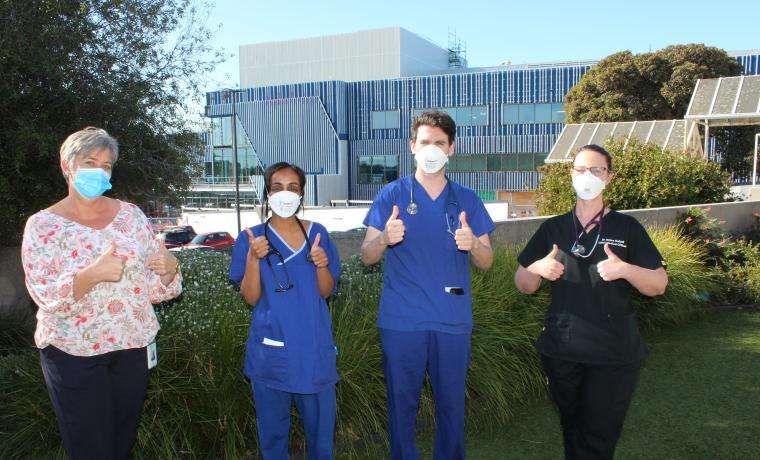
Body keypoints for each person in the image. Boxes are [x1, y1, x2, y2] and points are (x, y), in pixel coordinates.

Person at [21, 127, 182, 459]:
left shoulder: (132, 216)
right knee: (92, 450)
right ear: (67, 166)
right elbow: (44, 294)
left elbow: (153, 288)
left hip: (131, 347)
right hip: (74, 353)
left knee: (120, 445)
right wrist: (90, 276)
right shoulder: (43, 226)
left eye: (106, 165)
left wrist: (169, 271)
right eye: (90, 161)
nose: (99, 170)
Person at [514, 144, 669, 459]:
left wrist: (625, 269)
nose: (588, 175)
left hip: (613, 352)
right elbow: (523, 284)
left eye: (596, 169)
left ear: (609, 178)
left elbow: (658, 284)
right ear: (571, 174)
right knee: (572, 427)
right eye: (581, 169)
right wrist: (537, 268)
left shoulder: (627, 228)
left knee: (598, 434)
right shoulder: (552, 228)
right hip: (562, 349)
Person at [361, 110, 495, 459]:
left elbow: (487, 260)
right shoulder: (391, 195)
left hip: (451, 320)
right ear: (412, 147)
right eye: (425, 143)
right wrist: (384, 240)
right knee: (401, 404)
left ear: (452, 147)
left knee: (451, 405)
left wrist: (473, 243)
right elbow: (366, 256)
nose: (431, 149)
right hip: (402, 321)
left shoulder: (467, 199)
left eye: (439, 142)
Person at [229, 162, 341, 460]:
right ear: (267, 193)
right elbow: (251, 298)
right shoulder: (251, 238)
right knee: (273, 437)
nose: (285, 194)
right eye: (277, 187)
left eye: (292, 188)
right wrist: (254, 259)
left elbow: (326, 291)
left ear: (302, 194)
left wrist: (322, 263)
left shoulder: (318, 235)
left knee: (321, 439)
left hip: (314, 350)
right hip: (272, 353)